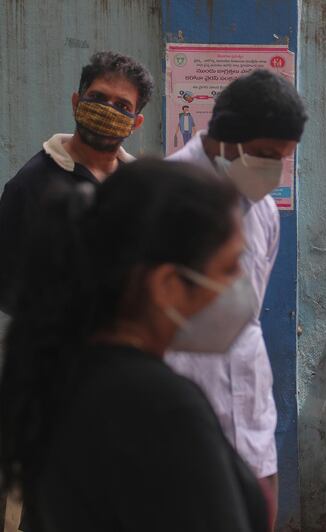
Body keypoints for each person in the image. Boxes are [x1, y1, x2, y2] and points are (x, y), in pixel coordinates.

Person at [0, 159, 268, 531]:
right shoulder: (160, 408)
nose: (242, 284)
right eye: (229, 267)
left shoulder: (62, 368)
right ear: (167, 286)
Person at [164, 69, 306, 530]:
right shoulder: (158, 196)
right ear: (225, 139)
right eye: (266, 155)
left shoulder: (263, 210)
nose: (274, 168)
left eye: (283, 158)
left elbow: (248, 315)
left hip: (250, 413)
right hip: (175, 414)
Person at [0, 50, 153, 313]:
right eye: (98, 97)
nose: (108, 110)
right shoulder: (30, 185)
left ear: (135, 123)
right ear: (76, 102)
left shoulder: (143, 185)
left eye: (122, 106)